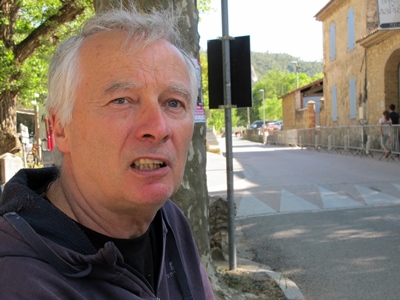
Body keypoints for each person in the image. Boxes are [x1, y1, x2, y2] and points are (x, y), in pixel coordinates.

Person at [0, 5, 214, 300]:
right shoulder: (16, 278)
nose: (158, 127)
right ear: (60, 128)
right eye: (122, 100)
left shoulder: (169, 220)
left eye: (173, 103)